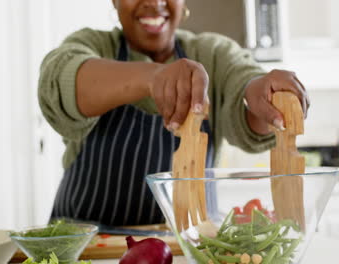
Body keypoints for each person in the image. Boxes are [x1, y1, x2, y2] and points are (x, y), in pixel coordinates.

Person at [38, 0, 310, 226]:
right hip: (86, 249)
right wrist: (153, 78)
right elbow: (60, 81)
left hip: (186, 247)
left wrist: (266, 96)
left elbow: (245, 94)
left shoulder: (212, 54)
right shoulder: (95, 45)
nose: (154, 2)